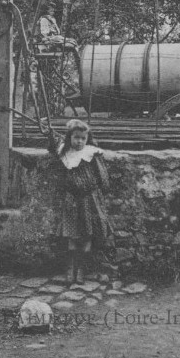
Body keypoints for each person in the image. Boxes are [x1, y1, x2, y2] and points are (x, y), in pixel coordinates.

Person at [48, 119, 111, 284]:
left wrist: (100, 192)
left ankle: (81, 268)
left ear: (87, 138)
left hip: (89, 198)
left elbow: (102, 175)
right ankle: (71, 269)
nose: (79, 141)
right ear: (70, 137)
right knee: (71, 234)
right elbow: (53, 147)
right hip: (71, 199)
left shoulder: (91, 153)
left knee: (88, 233)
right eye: (76, 137)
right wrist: (50, 134)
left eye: (83, 138)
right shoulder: (65, 152)